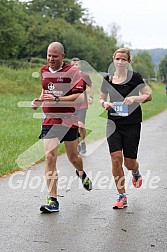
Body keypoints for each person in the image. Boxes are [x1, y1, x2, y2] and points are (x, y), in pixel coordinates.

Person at [32, 42, 92, 213]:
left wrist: (58, 100)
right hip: (50, 119)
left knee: (74, 158)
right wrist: (39, 100)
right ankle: (53, 200)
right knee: (50, 157)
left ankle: (81, 173)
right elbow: (45, 91)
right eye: (49, 55)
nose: (51, 59)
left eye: (55, 56)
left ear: (62, 56)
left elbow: (79, 97)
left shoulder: (72, 73)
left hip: (68, 120)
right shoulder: (44, 70)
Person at [99, 48, 152, 209]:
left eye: (123, 59)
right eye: (117, 59)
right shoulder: (108, 78)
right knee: (116, 159)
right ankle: (122, 195)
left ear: (128, 61)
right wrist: (105, 104)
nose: (120, 62)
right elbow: (101, 98)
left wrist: (136, 98)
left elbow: (148, 95)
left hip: (132, 124)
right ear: (113, 60)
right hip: (113, 124)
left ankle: (135, 172)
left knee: (129, 163)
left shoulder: (134, 77)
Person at [70, 57, 94, 154]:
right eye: (72, 65)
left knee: (81, 125)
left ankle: (83, 142)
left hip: (82, 104)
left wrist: (91, 97)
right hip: (71, 104)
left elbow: (91, 85)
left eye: (76, 65)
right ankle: (78, 144)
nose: (74, 67)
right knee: (74, 126)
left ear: (79, 65)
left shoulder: (84, 75)